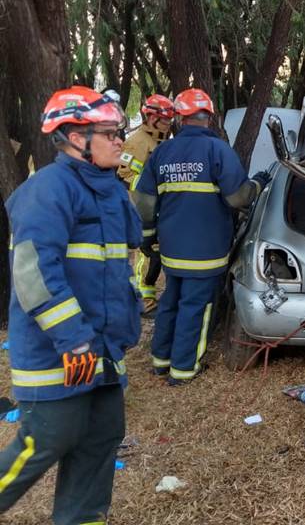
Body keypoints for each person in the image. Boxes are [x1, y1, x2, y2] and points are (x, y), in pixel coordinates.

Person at [0, 86, 141, 524]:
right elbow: (33, 273)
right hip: (58, 353)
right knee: (47, 439)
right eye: (109, 132)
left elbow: (123, 257)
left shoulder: (112, 190)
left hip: (103, 354)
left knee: (100, 442)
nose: (120, 140)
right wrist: (74, 339)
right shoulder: (48, 189)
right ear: (75, 137)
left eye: (120, 131)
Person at [132, 88, 270, 385]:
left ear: (180, 117)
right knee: (197, 306)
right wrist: (258, 184)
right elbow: (238, 198)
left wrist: (147, 238)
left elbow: (143, 202)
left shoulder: (162, 153)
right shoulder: (218, 151)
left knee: (170, 300)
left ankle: (161, 360)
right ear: (208, 117)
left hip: (171, 246)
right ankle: (184, 368)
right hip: (207, 249)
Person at [118, 94, 175, 315]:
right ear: (150, 117)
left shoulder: (161, 142)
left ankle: (148, 296)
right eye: (164, 119)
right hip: (140, 208)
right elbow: (125, 175)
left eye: (170, 119)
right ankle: (143, 302)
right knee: (146, 253)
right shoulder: (135, 142)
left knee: (155, 255)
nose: (168, 124)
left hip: (157, 208)